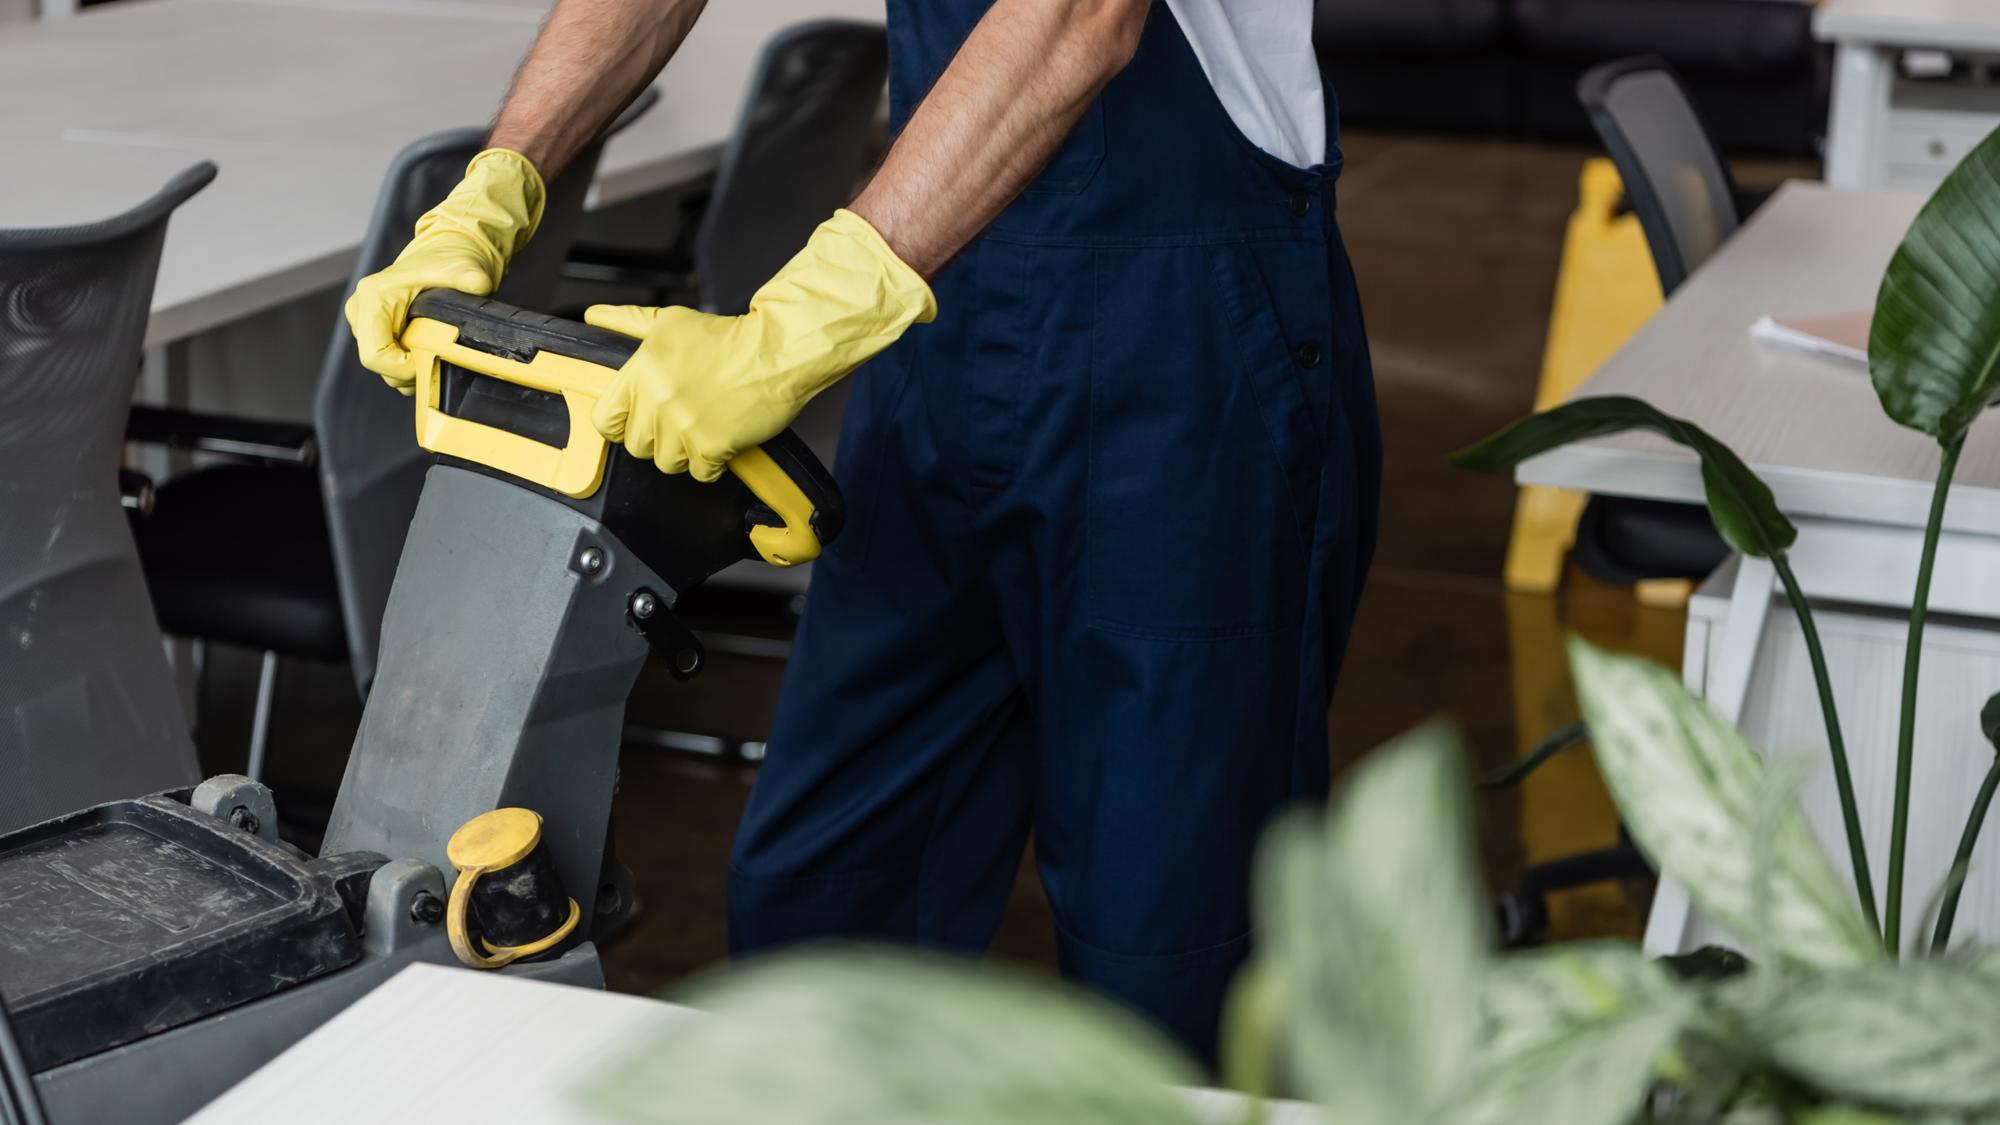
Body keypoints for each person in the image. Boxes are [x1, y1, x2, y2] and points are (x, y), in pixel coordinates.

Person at [343, 0, 1379, 1061]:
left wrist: (793, 334)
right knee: (824, 902)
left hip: (1179, 357)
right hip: (934, 323)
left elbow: (1077, 16)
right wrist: (495, 185)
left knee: (1167, 944)